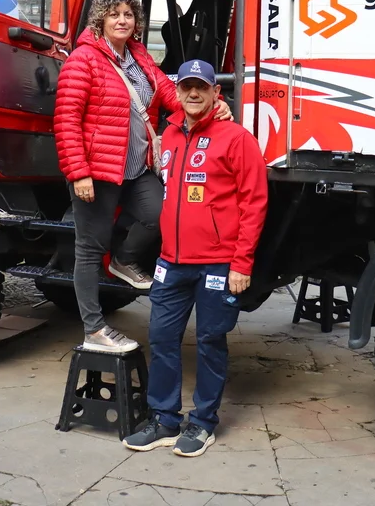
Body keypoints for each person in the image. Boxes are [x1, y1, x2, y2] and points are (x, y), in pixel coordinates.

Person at [54, 0, 231, 354]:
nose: (122, 20)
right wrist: (78, 172)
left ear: (136, 21)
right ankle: (93, 329)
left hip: (136, 168)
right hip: (97, 170)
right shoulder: (83, 60)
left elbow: (169, 94)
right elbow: (66, 120)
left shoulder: (139, 56)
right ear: (100, 19)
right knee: (89, 249)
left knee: (161, 213)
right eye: (114, 14)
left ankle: (124, 259)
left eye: (129, 14)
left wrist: (213, 106)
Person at [122, 59, 268, 457]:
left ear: (215, 93)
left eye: (201, 87)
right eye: (186, 86)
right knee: (162, 337)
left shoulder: (237, 138)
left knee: (209, 340)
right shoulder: (168, 135)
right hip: (171, 261)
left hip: (218, 263)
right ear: (178, 92)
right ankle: (165, 420)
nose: (193, 93)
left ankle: (202, 423)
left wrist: (241, 263)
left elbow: (254, 203)